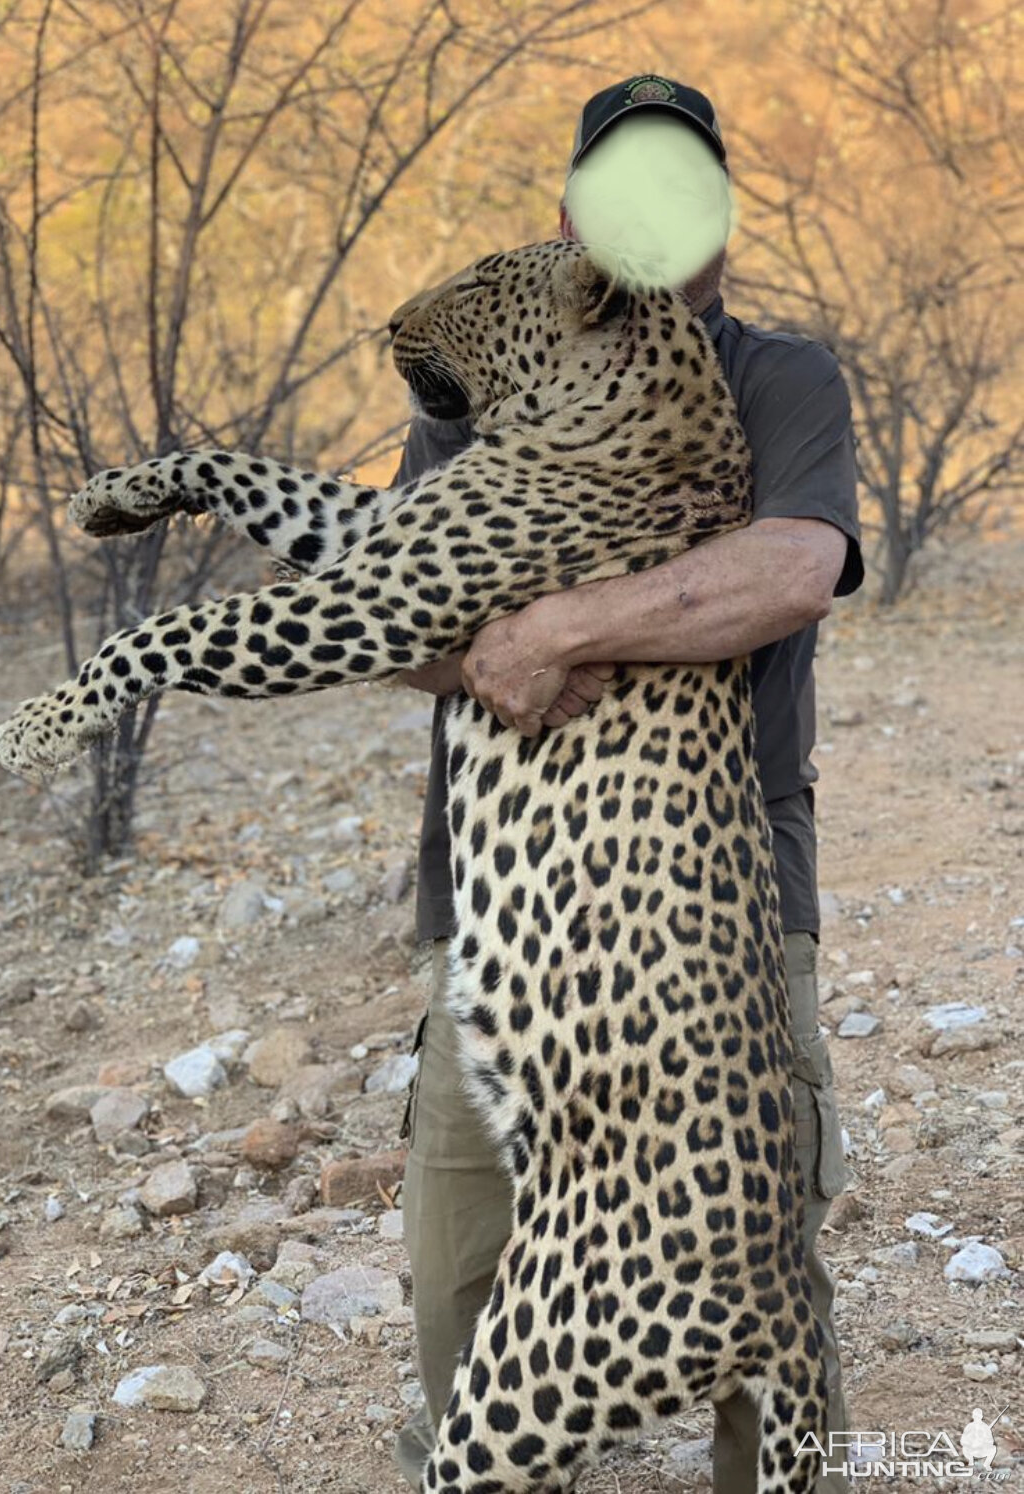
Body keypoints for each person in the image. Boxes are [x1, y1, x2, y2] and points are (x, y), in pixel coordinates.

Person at [390, 75, 861, 1494]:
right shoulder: (481, 381)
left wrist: (556, 627)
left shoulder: (779, 375)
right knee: (462, 1277)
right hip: (511, 903)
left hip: (714, 892)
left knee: (751, 1275)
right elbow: (394, 618)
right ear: (568, 216)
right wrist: (477, 641)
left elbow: (793, 568)